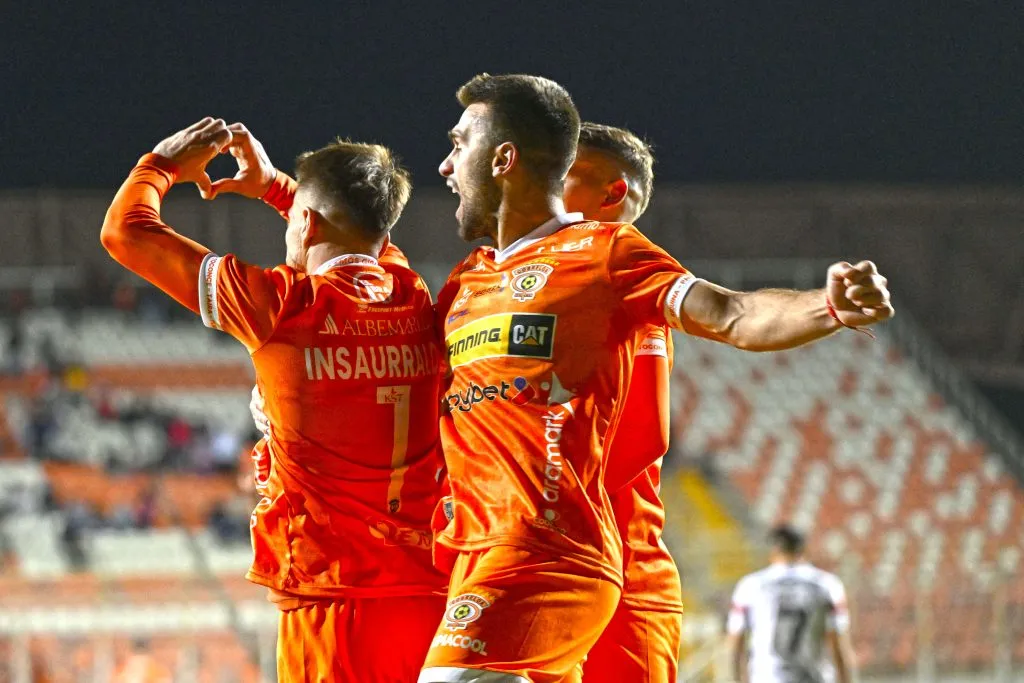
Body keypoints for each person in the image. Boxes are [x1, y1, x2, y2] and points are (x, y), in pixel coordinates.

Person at [422, 73, 892, 683]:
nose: (555, 185)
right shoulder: (476, 281)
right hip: (498, 543)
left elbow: (736, 314)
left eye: (569, 174)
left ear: (612, 193)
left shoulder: (617, 265)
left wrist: (826, 308)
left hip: (609, 555)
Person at [101, 118, 448, 682]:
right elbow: (367, 238)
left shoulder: (282, 306)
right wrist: (274, 186)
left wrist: (159, 166)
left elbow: (125, 232)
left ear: (304, 224)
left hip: (331, 594)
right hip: (428, 586)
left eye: (294, 218)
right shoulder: (410, 293)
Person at [725, 526, 856, 683]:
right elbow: (839, 646)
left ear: (773, 551)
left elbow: (734, 645)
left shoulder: (751, 586)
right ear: (804, 550)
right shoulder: (827, 585)